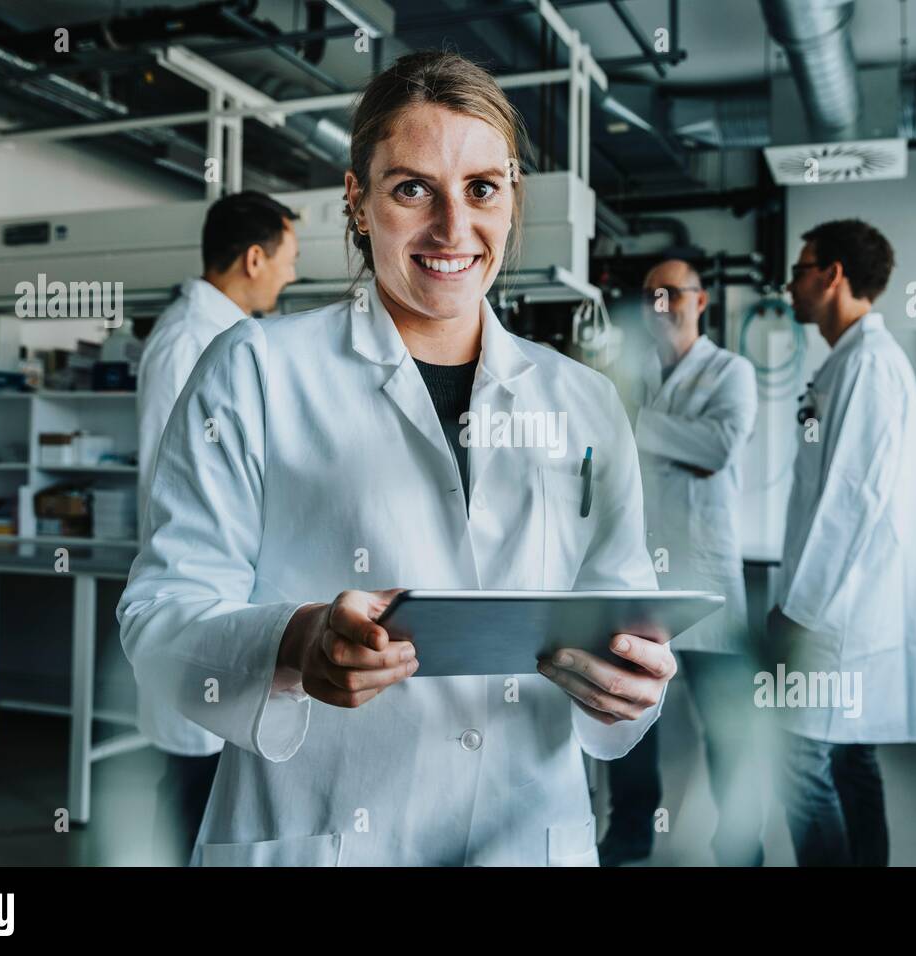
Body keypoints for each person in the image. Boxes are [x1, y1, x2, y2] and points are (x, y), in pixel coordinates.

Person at [117, 50, 675, 867]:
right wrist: (297, 643)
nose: (453, 228)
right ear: (358, 200)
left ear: (512, 197)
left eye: (482, 188)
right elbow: (159, 617)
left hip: (527, 836)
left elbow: (626, 616)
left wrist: (631, 691)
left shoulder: (583, 402)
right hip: (322, 832)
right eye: (413, 188)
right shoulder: (255, 371)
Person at [134, 190, 298, 865]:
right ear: (254, 258)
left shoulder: (229, 338)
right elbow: (174, 487)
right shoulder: (186, 345)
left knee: (217, 789)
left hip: (234, 598)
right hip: (199, 594)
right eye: (287, 260)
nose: (290, 275)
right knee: (189, 787)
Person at [771, 219, 916, 866]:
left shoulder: (868, 366)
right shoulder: (850, 364)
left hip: (836, 615)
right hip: (848, 611)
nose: (791, 284)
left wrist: (796, 613)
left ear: (832, 274)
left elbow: (849, 503)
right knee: (851, 757)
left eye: (800, 269)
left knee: (798, 760)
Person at [598, 259, 764, 867]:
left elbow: (716, 448)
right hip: (639, 574)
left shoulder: (732, 372)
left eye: (674, 293)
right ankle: (631, 830)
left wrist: (635, 424)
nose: (660, 303)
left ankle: (740, 842)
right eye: (650, 295)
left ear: (700, 303)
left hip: (706, 576)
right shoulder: (633, 373)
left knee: (726, 727)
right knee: (630, 709)